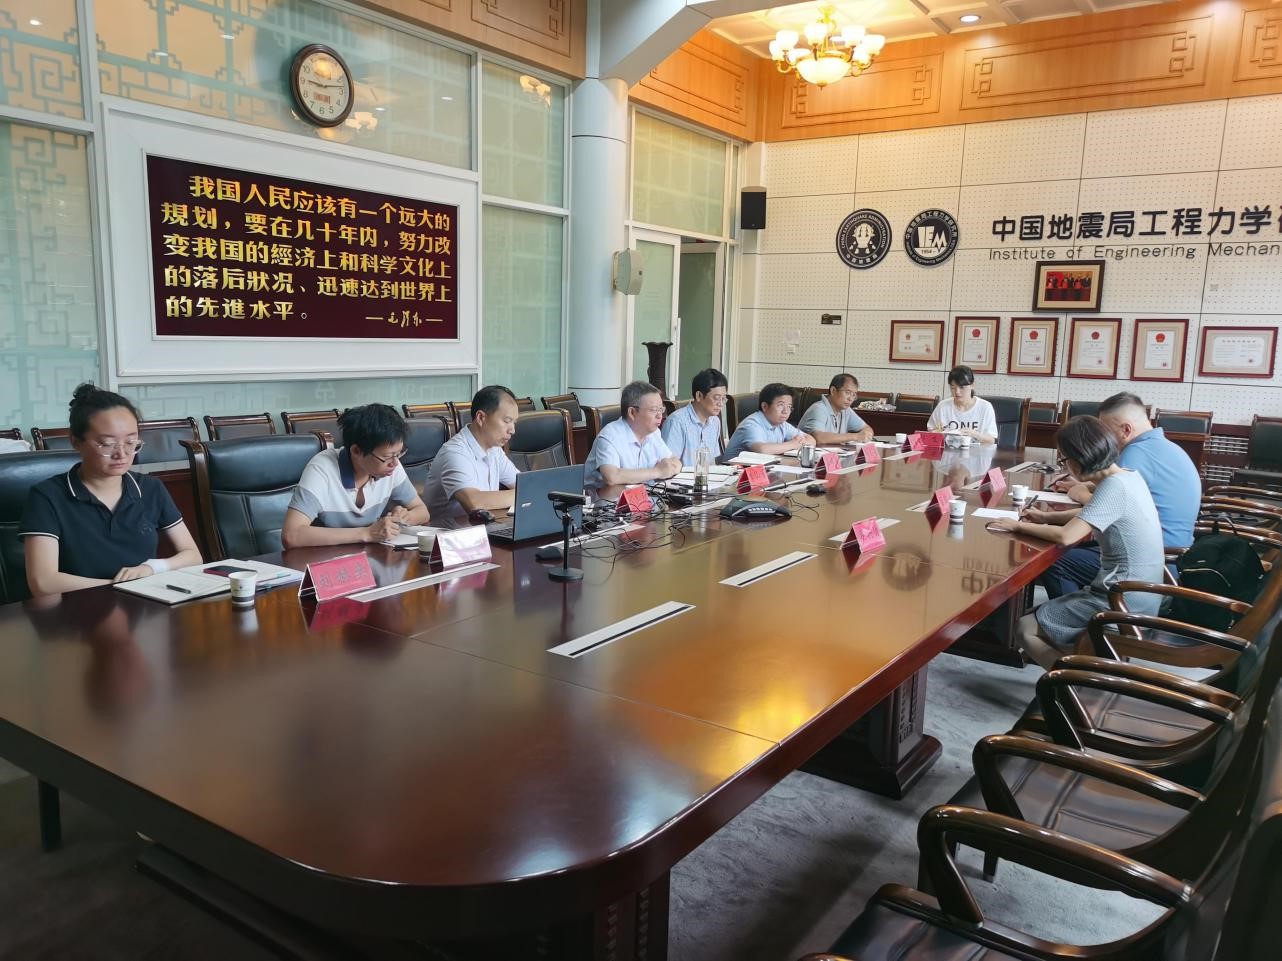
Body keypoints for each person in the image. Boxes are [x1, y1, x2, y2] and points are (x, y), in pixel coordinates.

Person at [988, 416, 1165, 670]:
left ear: (1078, 459)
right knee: (1037, 618)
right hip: (1143, 594)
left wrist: (1017, 526)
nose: (1065, 465)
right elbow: (1093, 513)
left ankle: (1074, 681)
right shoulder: (1128, 477)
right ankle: (1088, 666)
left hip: (1121, 600)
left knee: (1025, 628)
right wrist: (1045, 517)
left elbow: (1066, 536)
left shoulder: (1113, 487)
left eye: (1064, 459)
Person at [20, 383, 202, 595]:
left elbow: (192, 556)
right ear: (76, 442)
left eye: (131, 442)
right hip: (78, 609)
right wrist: (119, 588)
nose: (122, 454)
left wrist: (152, 568)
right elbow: (43, 582)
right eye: (107, 444)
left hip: (145, 606)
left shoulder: (150, 488)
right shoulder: (47, 496)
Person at [1038, 391, 1201, 597]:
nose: (1100, 439)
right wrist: (1084, 486)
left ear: (1126, 429)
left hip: (1153, 562)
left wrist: (1079, 492)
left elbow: (1108, 504)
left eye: (1104, 432)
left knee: (1054, 560)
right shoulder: (1168, 448)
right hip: (1175, 556)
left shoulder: (1136, 453)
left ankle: (1080, 613)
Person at [282, 403, 429, 547]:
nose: (395, 463)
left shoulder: (390, 466)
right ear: (356, 451)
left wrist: (402, 518)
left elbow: (422, 512)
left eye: (398, 454)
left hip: (370, 556)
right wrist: (367, 533)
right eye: (387, 457)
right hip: (324, 558)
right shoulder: (322, 469)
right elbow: (291, 535)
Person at [424, 385, 520, 524]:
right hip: (448, 535)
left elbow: (524, 484)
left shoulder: (494, 450)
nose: (512, 430)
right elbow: (474, 503)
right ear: (481, 418)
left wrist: (524, 491)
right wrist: (521, 494)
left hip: (483, 530)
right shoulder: (455, 452)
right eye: (507, 421)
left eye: (514, 422)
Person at [583, 381, 683, 488]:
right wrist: (658, 471)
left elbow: (674, 460)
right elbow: (612, 477)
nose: (660, 416)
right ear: (632, 413)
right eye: (654, 410)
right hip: (604, 497)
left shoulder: (653, 433)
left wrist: (671, 467)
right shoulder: (609, 436)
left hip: (642, 495)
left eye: (661, 409)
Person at [722, 383, 816, 461]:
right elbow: (762, 450)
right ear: (765, 406)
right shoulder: (751, 424)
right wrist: (793, 444)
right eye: (781, 405)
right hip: (733, 473)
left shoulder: (782, 424)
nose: (786, 411)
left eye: (789, 407)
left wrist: (798, 442)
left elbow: (811, 440)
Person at [661, 368, 728, 466]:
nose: (721, 404)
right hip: (681, 476)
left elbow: (711, 463)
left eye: (724, 398)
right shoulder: (677, 422)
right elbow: (668, 465)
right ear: (699, 396)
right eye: (717, 398)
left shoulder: (715, 422)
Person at [928, 365, 998, 444]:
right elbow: (931, 433)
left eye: (961, 387)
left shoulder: (985, 407)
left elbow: (992, 440)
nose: (957, 392)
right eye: (953, 387)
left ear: (972, 385)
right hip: (949, 450)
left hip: (976, 451)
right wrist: (936, 432)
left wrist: (975, 434)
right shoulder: (943, 406)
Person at [798, 373, 873, 444]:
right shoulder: (818, 409)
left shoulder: (847, 411)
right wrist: (855, 436)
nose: (850, 399)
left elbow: (867, 429)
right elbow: (819, 438)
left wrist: (865, 435)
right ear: (833, 391)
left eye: (854, 395)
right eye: (847, 392)